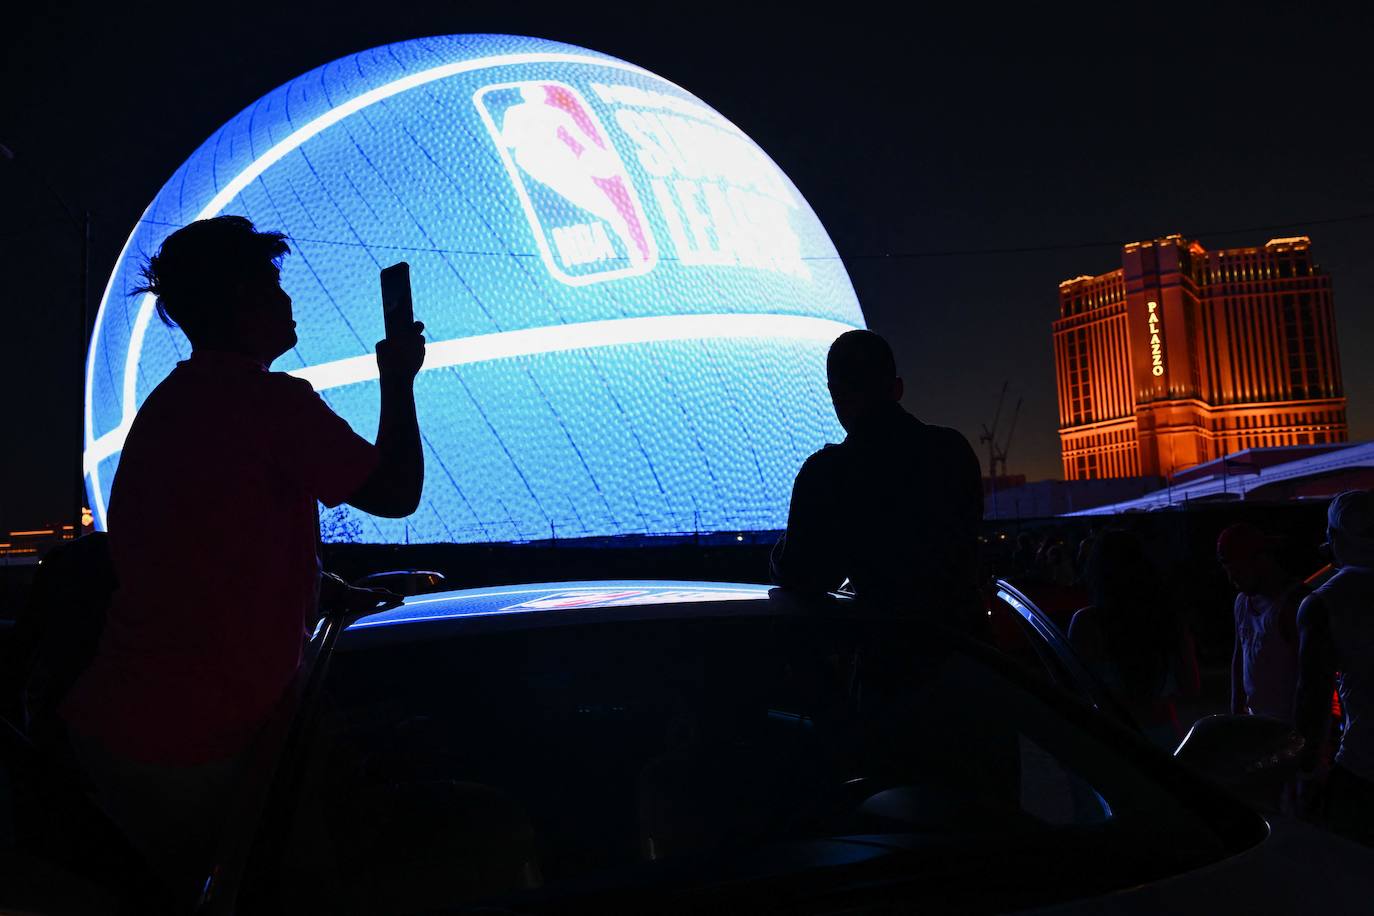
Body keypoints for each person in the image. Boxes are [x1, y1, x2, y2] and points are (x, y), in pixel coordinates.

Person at [58, 216, 426, 897]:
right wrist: (398, 377)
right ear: (239, 300)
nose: (288, 301)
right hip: (203, 746)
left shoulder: (167, 407)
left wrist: (318, 585)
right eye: (271, 285)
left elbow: (202, 547)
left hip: (121, 731)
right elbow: (397, 491)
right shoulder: (273, 405)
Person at [769, 329, 983, 624]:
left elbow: (803, 574)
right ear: (897, 389)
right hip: (973, 653)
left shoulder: (829, 473)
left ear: (835, 395)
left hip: (891, 656)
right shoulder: (954, 451)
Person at [1068, 529, 1199, 749]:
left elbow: (1071, 688)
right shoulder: (1166, 619)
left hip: (1109, 737)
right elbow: (1191, 687)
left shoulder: (1086, 624)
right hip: (1162, 733)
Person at [1296, 490, 1374, 845]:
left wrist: (1306, 769)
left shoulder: (1323, 603)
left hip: (1363, 770)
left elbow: (1312, 700)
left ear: (1336, 538)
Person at [1218, 523, 1305, 722]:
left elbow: (1310, 677)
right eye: (1228, 570)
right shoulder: (1243, 602)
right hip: (1257, 721)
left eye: (1238, 570)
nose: (1232, 579)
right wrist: (1236, 709)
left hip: (1287, 724)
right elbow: (1239, 656)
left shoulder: (1292, 604)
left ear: (1261, 560)